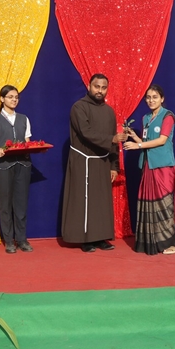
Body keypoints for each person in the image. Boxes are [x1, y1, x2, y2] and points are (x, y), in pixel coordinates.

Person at [61, 74, 127, 253]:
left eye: (104, 88)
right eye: (97, 86)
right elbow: (86, 132)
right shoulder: (79, 107)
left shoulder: (109, 112)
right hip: (83, 160)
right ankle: (85, 239)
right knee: (83, 201)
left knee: (101, 202)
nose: (100, 91)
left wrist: (114, 166)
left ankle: (100, 237)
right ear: (89, 86)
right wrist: (111, 139)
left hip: (103, 162)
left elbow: (114, 141)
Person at [124, 84, 175, 255]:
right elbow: (147, 140)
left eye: (155, 97)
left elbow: (162, 140)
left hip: (163, 166)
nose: (151, 100)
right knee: (149, 204)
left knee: (164, 205)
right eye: (148, 97)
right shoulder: (146, 118)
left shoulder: (168, 116)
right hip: (148, 165)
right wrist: (134, 137)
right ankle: (151, 242)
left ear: (162, 99)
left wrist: (137, 146)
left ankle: (170, 243)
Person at [0, 85, 34, 254]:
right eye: (10, 97)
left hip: (23, 164)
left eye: (16, 97)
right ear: (2, 99)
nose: (14, 100)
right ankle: (8, 241)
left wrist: (34, 148)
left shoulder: (24, 119)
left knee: (21, 203)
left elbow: (27, 142)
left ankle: (21, 239)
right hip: (3, 165)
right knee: (5, 203)